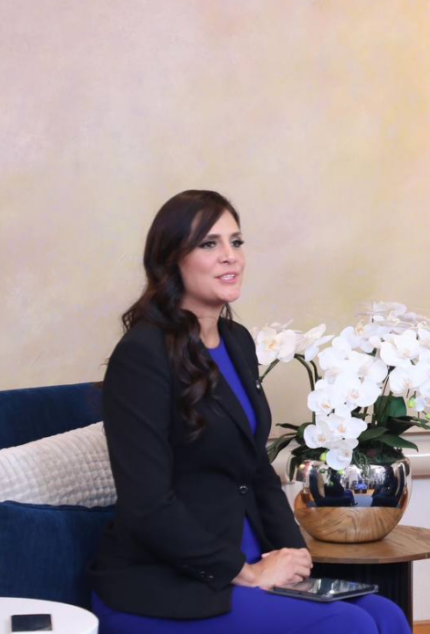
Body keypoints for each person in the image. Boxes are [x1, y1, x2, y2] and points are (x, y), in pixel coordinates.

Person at [89, 190, 410, 634]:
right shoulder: (141, 355)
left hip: (252, 563)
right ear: (171, 260)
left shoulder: (236, 341)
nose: (230, 256)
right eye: (209, 244)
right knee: (346, 624)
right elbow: (147, 505)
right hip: (168, 583)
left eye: (236, 242)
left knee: (386, 615)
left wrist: (296, 557)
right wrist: (248, 571)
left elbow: (255, 469)